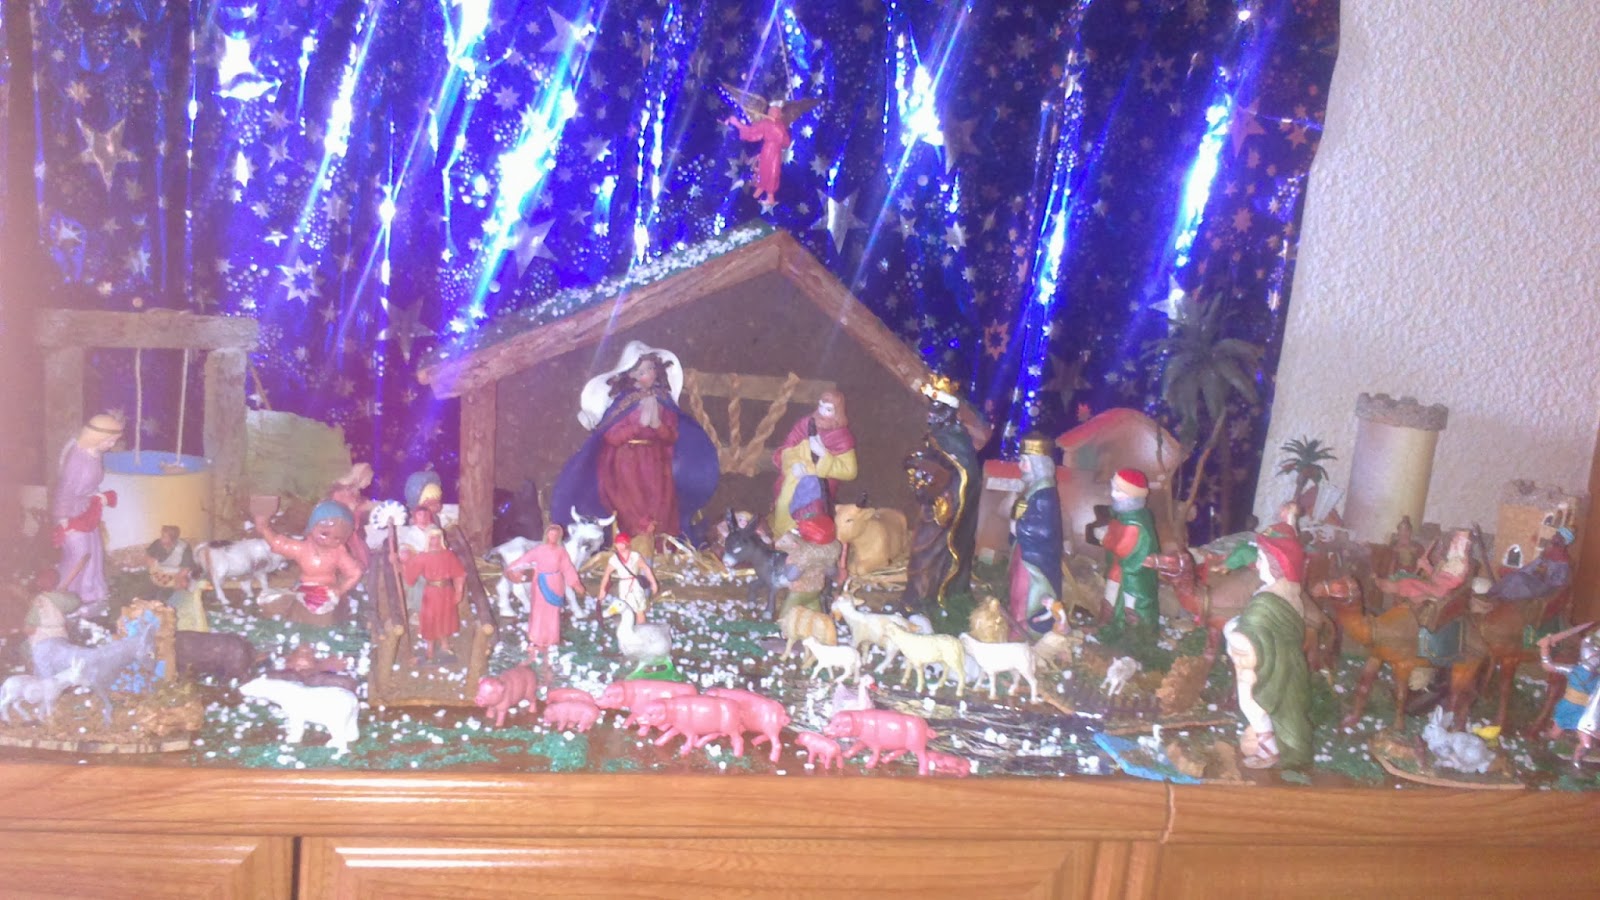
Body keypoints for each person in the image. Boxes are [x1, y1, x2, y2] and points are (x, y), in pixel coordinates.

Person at [552, 342, 719, 541]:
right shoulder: (624, 402)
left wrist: (657, 425)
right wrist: (638, 426)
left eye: (650, 368)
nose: (648, 374)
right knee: (633, 507)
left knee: (661, 505)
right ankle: (632, 547)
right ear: (631, 375)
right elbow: (611, 436)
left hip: (657, 463)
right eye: (641, 371)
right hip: (628, 463)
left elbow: (672, 437)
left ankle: (660, 547)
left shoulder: (662, 400)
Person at [1224, 527, 1313, 770]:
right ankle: (1272, 743)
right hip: (1287, 661)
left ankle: (1268, 748)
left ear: (1276, 566)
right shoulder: (1289, 594)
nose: (1258, 564)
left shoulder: (1266, 601)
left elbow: (1250, 638)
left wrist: (1230, 630)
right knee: (1282, 707)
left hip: (1267, 666)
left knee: (1253, 703)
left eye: (1262, 559)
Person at [52, 412, 123, 615]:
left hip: (86, 510)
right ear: (96, 437)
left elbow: (89, 485)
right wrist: (63, 520)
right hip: (71, 514)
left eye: (114, 440)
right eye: (109, 440)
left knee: (93, 550)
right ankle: (68, 595)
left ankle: (89, 592)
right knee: (79, 554)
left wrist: (97, 496)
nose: (111, 444)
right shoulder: (77, 460)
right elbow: (65, 491)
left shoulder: (95, 454)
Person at [917, 376, 980, 603]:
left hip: (948, 507)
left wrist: (942, 489)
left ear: (948, 410)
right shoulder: (937, 435)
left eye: (935, 408)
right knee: (922, 550)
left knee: (937, 552)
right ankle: (920, 594)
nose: (930, 414)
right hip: (933, 504)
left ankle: (936, 594)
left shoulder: (955, 439)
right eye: (929, 407)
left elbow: (964, 472)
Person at [253, 499, 366, 618]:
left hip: (325, 591)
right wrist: (264, 528)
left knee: (321, 606)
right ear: (312, 527)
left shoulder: (339, 553)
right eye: (324, 534)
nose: (329, 540)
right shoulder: (303, 548)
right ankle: (293, 604)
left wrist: (340, 589)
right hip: (302, 587)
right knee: (270, 598)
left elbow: (355, 573)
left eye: (337, 538)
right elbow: (281, 545)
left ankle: (310, 610)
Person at [1380, 528, 1473, 664]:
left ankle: (1394, 588)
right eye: (1454, 541)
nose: (1453, 545)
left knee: (1409, 583)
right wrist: (1426, 565)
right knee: (1411, 581)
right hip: (1437, 586)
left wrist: (1426, 566)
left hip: (1440, 591)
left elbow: (1442, 581)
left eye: (1456, 542)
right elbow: (1437, 577)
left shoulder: (1459, 564)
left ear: (1463, 546)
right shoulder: (1451, 562)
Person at [771, 391, 857, 536]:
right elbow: (788, 448)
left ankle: (803, 533)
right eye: (821, 406)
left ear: (837, 412)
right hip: (795, 475)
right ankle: (781, 532)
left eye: (828, 409)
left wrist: (824, 455)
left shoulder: (841, 436)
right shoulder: (805, 424)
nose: (822, 412)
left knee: (810, 506)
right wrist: (794, 464)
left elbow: (849, 471)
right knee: (784, 502)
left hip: (820, 482)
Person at [1091, 469, 1159, 639]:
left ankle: (1135, 637)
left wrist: (1104, 537)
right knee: (1110, 597)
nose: (1113, 494)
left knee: (1132, 605)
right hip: (1118, 568)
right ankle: (1106, 627)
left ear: (1133, 494)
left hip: (1133, 574)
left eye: (1119, 490)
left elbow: (1123, 547)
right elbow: (1116, 531)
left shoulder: (1135, 522)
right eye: (1113, 488)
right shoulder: (1123, 515)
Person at [1009, 434, 1064, 635]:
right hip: (1025, 550)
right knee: (1016, 589)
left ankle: (1025, 630)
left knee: (1025, 591)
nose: (1021, 466)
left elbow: (1045, 529)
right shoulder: (1034, 489)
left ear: (1038, 464)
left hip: (1035, 559)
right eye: (1021, 460)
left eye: (1025, 461)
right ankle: (1016, 624)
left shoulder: (1045, 493)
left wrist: (1018, 527)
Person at [504, 524, 586, 656]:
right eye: (551, 534)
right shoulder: (539, 550)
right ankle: (536, 638)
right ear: (547, 535)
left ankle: (552, 638)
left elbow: (568, 568)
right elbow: (524, 560)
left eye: (556, 534)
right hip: (541, 584)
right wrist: (511, 569)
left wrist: (576, 584)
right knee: (539, 611)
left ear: (559, 536)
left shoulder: (561, 551)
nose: (553, 536)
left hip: (556, 583)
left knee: (553, 612)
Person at [399, 526, 467, 662]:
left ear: (441, 538)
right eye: (431, 538)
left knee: (445, 617)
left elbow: (459, 573)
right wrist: (403, 564)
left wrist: (459, 591)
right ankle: (429, 649)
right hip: (431, 593)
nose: (434, 541)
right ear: (427, 539)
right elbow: (410, 575)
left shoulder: (448, 555)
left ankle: (444, 645)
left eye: (437, 537)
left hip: (446, 591)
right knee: (430, 619)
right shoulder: (422, 557)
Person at [1538, 628, 1600, 765]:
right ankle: (1540, 748)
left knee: (1586, 744)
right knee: (1554, 734)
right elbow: (1548, 666)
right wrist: (1544, 648)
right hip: (1568, 707)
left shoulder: (1597, 677)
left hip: (1585, 713)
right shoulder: (1574, 670)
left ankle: (1576, 763)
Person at [725, 102, 793, 204]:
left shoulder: (780, 125)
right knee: (764, 170)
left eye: (776, 111)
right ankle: (759, 191)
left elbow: (786, 142)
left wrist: (779, 134)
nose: (774, 113)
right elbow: (752, 132)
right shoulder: (765, 123)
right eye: (772, 111)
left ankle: (770, 196)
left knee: (773, 172)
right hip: (767, 150)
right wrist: (738, 124)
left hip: (776, 152)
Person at [1487, 527, 1573, 601]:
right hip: (1532, 579)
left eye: (1558, 536)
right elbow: (1531, 566)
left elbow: (1558, 583)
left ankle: (1502, 597)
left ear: (1563, 541)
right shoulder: (1548, 553)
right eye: (1556, 534)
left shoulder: (1563, 562)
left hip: (1542, 587)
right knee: (1514, 576)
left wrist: (1544, 577)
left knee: (1518, 579)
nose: (1554, 537)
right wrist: (1518, 571)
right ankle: (1491, 594)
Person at [598, 532, 658, 624]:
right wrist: (602, 589)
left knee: (639, 610)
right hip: (624, 586)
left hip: (635, 586)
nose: (620, 546)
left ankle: (641, 628)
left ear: (627, 544)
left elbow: (646, 568)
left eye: (622, 543)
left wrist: (653, 583)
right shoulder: (614, 559)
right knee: (625, 609)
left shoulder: (635, 556)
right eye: (618, 544)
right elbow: (606, 575)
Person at [144, 525, 196, 590]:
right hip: (160, 572)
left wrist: (176, 580)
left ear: (172, 539)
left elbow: (186, 569)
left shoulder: (184, 547)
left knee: (184, 583)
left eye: (164, 536)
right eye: (161, 535)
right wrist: (151, 565)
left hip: (178, 573)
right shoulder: (157, 543)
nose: (161, 538)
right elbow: (148, 557)